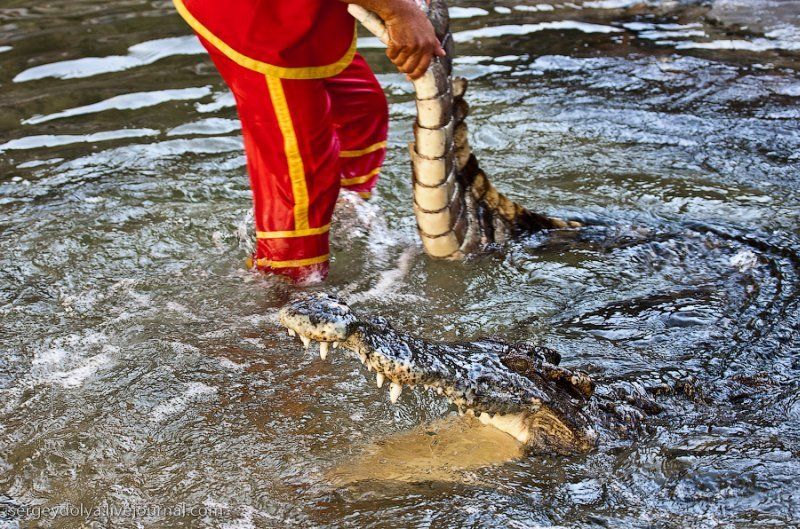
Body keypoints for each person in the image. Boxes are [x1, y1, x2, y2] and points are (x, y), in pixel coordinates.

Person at [173, 0, 445, 283]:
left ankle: (337, 218)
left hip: (304, 10)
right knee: (301, 171)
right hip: (261, 19)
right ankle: (285, 291)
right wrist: (399, 12)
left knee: (359, 110)